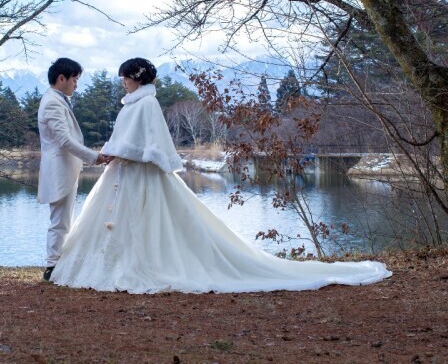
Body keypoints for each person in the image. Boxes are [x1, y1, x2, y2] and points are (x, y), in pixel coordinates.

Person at [50, 57, 391, 293]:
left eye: (125, 76)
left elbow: (148, 144)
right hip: (124, 174)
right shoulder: (133, 104)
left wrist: (115, 152)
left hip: (138, 175)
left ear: (136, 78)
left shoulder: (146, 104)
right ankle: (115, 262)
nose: (122, 81)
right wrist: (113, 151)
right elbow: (129, 140)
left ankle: (140, 264)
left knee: (146, 223)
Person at [38, 58, 111, 282]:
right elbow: (64, 140)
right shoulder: (52, 102)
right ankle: (52, 267)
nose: (76, 86)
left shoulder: (57, 100)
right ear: (62, 79)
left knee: (63, 219)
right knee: (60, 220)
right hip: (59, 169)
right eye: (75, 80)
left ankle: (57, 265)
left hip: (66, 168)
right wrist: (94, 157)